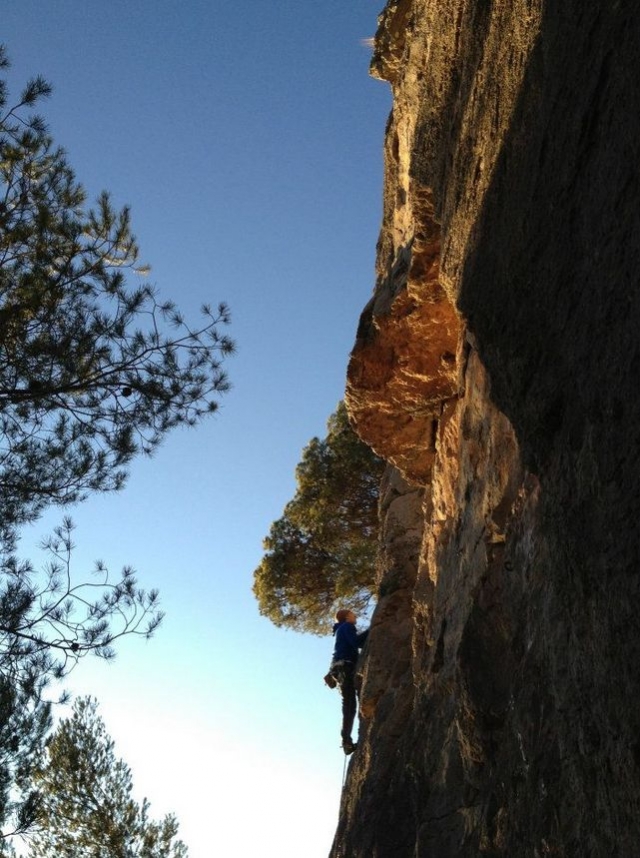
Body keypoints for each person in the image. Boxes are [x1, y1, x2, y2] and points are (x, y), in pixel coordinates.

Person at [326, 608, 369, 755]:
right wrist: (373, 628)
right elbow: (356, 642)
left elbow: (357, 644)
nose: (355, 615)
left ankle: (346, 741)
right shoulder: (347, 627)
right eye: (352, 613)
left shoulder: (341, 630)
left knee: (349, 705)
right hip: (344, 667)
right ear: (346, 617)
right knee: (349, 704)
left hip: (340, 668)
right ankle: (346, 741)